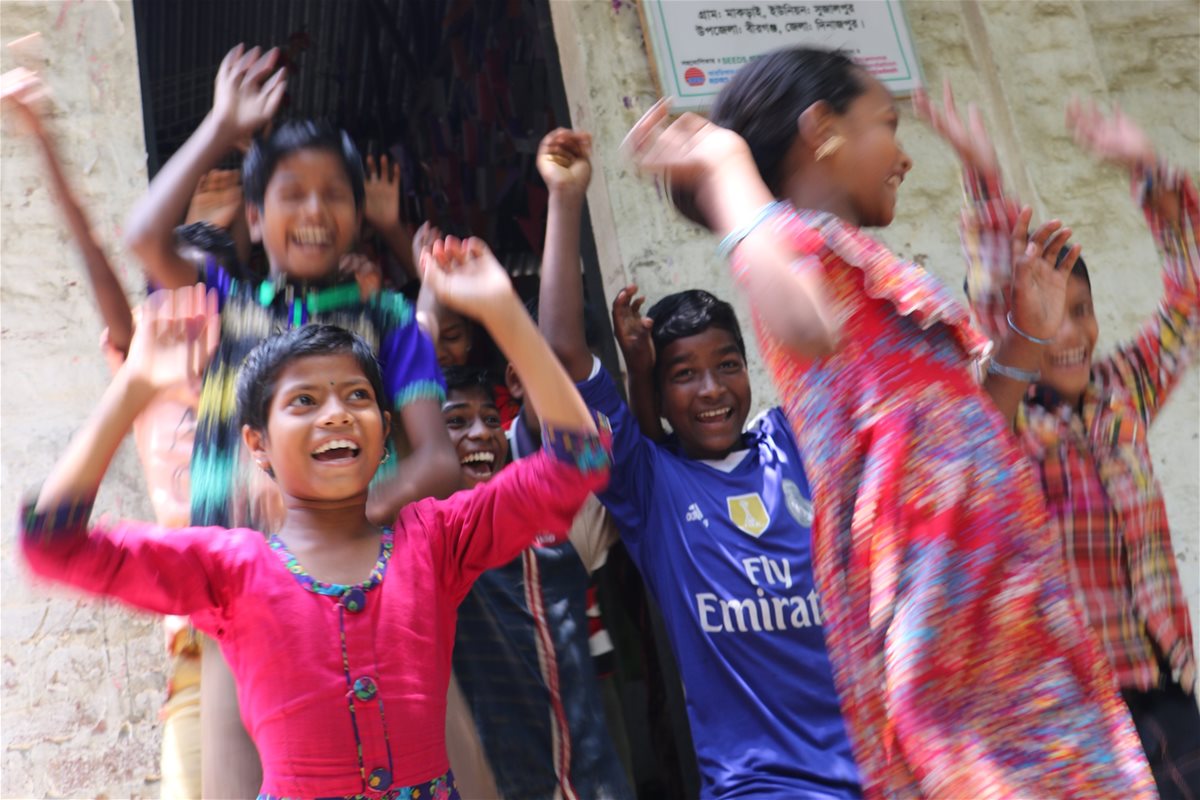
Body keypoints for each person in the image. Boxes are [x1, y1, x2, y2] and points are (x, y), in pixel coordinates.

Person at [623, 46, 1156, 797]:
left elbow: (973, 430)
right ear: (823, 131)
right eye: (887, 124)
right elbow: (800, 321)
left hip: (1000, 600)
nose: (904, 156)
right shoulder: (793, 249)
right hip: (938, 615)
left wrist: (1024, 340)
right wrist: (724, 166)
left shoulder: (863, 267)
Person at [20, 235, 612, 799]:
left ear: (385, 434)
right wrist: (134, 386)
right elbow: (55, 546)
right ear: (257, 446)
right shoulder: (229, 569)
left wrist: (505, 313)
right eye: (304, 401)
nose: (336, 415)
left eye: (357, 397)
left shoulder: (435, 540)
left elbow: (577, 463)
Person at [121, 43, 461, 795]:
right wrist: (219, 124)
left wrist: (348, 516)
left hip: (374, 597)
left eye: (334, 195)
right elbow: (146, 235)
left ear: (360, 215)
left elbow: (439, 461)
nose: (314, 212)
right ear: (252, 214)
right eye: (291, 194)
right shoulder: (225, 310)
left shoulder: (386, 318)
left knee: (425, 764)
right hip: (241, 610)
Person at [539, 128, 860, 799]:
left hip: (878, 770)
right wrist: (565, 200)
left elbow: (823, 329)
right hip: (758, 785)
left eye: (727, 366)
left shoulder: (793, 441)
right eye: (685, 374)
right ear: (657, 388)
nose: (712, 390)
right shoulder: (651, 485)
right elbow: (562, 352)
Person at [915, 82, 1200, 798]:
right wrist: (981, 176)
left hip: (1167, 690)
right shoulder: (1000, 420)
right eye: (1052, 315)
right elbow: (991, 300)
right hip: (1070, 707)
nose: (1071, 335)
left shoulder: (1122, 391)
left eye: (1083, 311)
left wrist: (1150, 172)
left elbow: (1190, 292)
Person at [2, 65, 205, 799]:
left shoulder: (261, 384)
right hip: (195, 650)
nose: (187, 316)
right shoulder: (148, 373)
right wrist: (44, 138)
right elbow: (92, 247)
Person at [440, 365, 632, 800]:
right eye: (455, 421)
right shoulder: (419, 547)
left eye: (492, 420)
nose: (481, 433)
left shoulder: (560, 526)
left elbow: (587, 454)